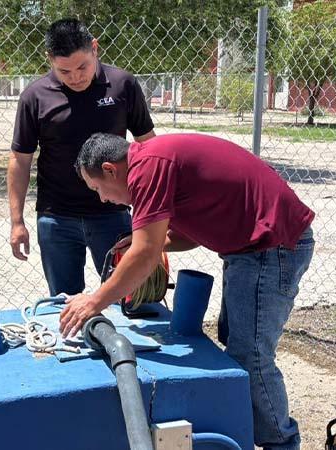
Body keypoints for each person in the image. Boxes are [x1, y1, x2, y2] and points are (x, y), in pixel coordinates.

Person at [60, 132, 315, 450]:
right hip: (254, 249)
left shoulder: (147, 169)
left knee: (251, 356)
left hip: (272, 246)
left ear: (111, 169)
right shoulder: (151, 161)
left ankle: (282, 444)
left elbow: (145, 256)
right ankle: (248, 432)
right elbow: (186, 236)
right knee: (238, 346)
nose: (102, 199)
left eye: (97, 188)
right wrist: (148, 242)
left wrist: (93, 302)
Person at [7, 18, 156, 296]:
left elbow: (148, 148)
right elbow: (20, 160)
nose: (75, 77)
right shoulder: (34, 97)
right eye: (64, 71)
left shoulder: (123, 85)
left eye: (82, 67)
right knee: (64, 304)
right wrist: (17, 222)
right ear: (49, 59)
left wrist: (151, 210)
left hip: (113, 215)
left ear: (95, 49)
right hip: (57, 218)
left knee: (129, 298)